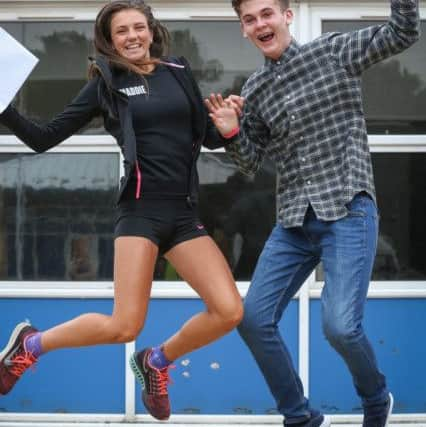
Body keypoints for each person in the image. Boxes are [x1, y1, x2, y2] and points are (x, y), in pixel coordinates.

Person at [0, 0, 244, 420]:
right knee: (124, 326)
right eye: (121, 32)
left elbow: (209, 138)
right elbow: (43, 137)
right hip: (140, 212)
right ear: (110, 41)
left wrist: (228, 130)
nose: (132, 36)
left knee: (229, 311)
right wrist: (2, 108)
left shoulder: (180, 74)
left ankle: (156, 362)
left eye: (138, 27)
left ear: (151, 31)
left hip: (184, 214)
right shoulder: (105, 84)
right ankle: (31, 345)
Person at [206, 0, 419, 426]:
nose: (259, 23)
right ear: (244, 30)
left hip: (348, 210)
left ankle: (376, 400)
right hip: (294, 221)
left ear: (286, 16)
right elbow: (249, 162)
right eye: (249, 19)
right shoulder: (254, 90)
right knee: (253, 320)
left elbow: (402, 33)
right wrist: (230, 130)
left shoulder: (334, 51)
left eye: (267, 13)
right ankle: (299, 416)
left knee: (340, 328)